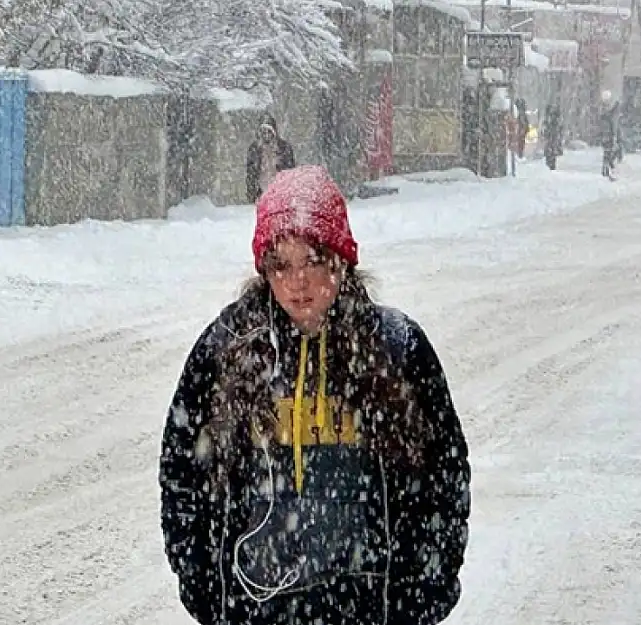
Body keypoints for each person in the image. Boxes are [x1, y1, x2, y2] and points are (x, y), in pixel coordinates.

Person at [159, 165, 471, 625]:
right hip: (257, 609)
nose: (297, 282)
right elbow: (182, 472)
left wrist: (428, 585)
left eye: (312, 260)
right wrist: (205, 588)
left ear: (341, 259)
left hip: (371, 608)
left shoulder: (395, 347)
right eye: (280, 265)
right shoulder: (226, 348)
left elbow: (444, 474)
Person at [246, 114, 297, 203]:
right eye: (263, 132)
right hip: (261, 192)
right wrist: (252, 193)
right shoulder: (254, 149)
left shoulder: (284, 148)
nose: (266, 135)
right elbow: (250, 173)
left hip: (280, 191)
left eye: (269, 131)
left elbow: (290, 171)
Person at [542, 103, 563, 170]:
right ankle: (550, 164)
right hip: (551, 139)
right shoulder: (550, 120)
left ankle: (551, 164)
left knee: (551, 152)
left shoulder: (552, 121)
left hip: (552, 139)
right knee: (551, 152)